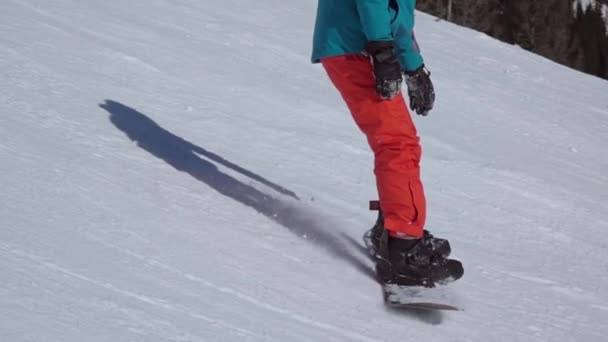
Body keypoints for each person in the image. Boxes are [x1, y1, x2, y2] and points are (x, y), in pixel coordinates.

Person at [312, 0, 463, 287]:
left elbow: (398, 14)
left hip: (357, 44)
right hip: (354, 47)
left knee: (398, 140)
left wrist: (414, 68)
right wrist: (382, 51)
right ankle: (403, 247)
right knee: (397, 144)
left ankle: (393, 225)